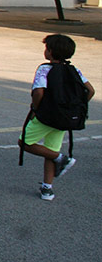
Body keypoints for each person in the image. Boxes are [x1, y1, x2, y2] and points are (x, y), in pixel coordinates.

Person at [18, 34, 94, 201]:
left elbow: (38, 91)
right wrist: (77, 107)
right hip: (63, 117)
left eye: (47, 48)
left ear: (50, 52)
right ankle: (47, 188)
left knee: (24, 143)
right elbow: (90, 90)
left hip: (47, 115)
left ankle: (62, 159)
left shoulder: (45, 69)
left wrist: (36, 109)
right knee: (51, 150)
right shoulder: (74, 70)